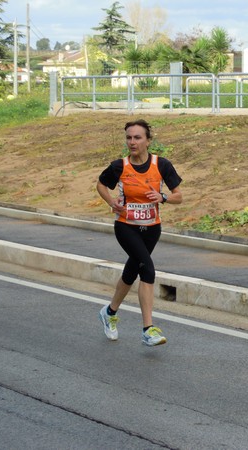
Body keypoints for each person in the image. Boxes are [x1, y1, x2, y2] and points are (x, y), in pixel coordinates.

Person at [96, 119, 182, 346]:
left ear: (148, 140)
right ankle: (148, 329)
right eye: (129, 138)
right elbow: (101, 185)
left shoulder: (161, 165)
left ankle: (110, 312)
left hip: (152, 228)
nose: (132, 142)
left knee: (133, 269)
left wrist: (163, 197)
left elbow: (178, 197)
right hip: (126, 226)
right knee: (148, 268)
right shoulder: (119, 166)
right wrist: (112, 202)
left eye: (137, 137)